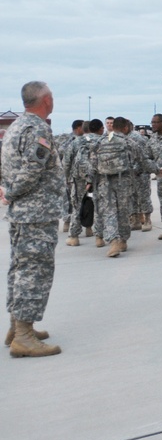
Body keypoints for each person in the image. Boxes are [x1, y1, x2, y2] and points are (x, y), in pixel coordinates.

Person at [1, 81, 63, 357]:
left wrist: (9, 194)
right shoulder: (38, 128)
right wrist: (12, 193)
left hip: (22, 213)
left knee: (20, 268)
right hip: (36, 213)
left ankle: (17, 326)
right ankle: (24, 336)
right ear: (46, 100)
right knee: (34, 271)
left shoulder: (15, 126)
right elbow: (31, 170)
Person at [88, 117, 145, 258]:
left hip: (104, 182)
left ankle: (113, 241)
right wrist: (157, 170)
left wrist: (89, 181)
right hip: (123, 181)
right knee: (123, 211)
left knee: (109, 211)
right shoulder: (128, 142)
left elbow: (92, 164)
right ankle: (123, 240)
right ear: (125, 128)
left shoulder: (100, 142)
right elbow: (142, 160)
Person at [63, 119, 100, 245]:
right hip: (97, 178)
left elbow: (66, 162)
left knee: (78, 205)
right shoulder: (101, 140)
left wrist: (67, 178)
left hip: (79, 180)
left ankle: (74, 236)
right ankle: (92, 231)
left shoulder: (75, 142)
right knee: (94, 204)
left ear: (83, 129)